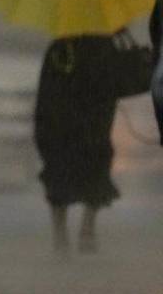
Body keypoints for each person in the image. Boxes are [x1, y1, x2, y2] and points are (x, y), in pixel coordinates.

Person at [34, 36, 126, 254]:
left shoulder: (60, 47)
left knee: (61, 175)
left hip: (63, 125)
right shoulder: (104, 46)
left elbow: (46, 94)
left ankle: (63, 235)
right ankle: (86, 231)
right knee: (92, 171)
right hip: (91, 125)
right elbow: (113, 87)